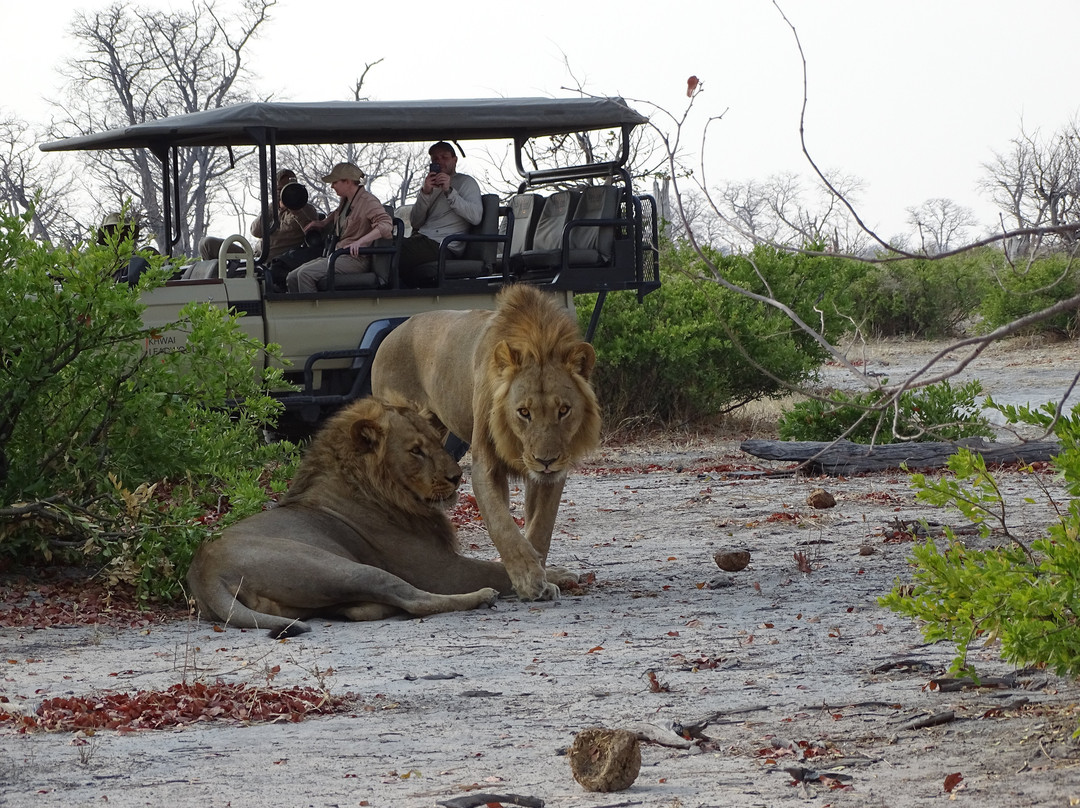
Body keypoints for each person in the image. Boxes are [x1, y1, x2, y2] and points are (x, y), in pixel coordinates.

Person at [286, 162, 393, 294]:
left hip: (355, 259)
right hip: (339, 255)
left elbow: (386, 224)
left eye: (335, 182)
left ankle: (314, 313)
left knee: (305, 275)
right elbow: (338, 214)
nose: (332, 186)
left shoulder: (368, 201)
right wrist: (323, 223)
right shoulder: (347, 200)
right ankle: (298, 312)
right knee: (292, 277)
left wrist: (361, 242)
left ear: (347, 182)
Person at [398, 141, 483, 286]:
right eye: (435, 159)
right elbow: (416, 222)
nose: (440, 162)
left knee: (394, 251)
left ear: (454, 160)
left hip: (444, 245)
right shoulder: (431, 186)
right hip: (423, 239)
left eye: (444, 157)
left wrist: (449, 192)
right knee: (386, 244)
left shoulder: (466, 183)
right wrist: (425, 193)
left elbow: (475, 217)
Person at [198, 168, 319, 267]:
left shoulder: (306, 209)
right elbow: (255, 231)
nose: (284, 193)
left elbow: (313, 235)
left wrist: (296, 209)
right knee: (207, 244)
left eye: (288, 189)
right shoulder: (273, 208)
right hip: (253, 255)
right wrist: (274, 206)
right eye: (279, 190)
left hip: (275, 261)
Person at [96, 211, 158, 285]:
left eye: (123, 233)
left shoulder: (139, 261)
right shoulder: (99, 267)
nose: (120, 238)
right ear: (107, 238)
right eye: (114, 233)